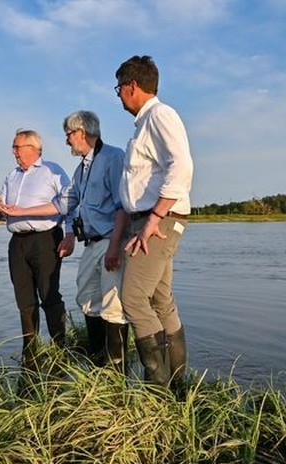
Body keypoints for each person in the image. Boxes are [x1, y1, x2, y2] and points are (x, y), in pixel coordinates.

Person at [115, 55, 193, 387]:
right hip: (150, 219)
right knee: (161, 300)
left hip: (157, 220)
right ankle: (176, 384)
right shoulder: (145, 124)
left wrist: (155, 218)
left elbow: (182, 166)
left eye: (118, 88)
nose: (118, 95)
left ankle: (157, 391)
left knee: (132, 299)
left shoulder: (160, 115)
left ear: (132, 86)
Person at [0, 129, 72, 362]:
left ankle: (59, 348)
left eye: (17, 147)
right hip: (17, 243)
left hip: (45, 240)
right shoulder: (11, 176)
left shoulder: (52, 171)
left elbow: (68, 204)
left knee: (49, 295)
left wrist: (70, 234)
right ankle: (30, 349)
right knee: (23, 297)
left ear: (33, 148)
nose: (13, 152)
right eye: (13, 147)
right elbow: (3, 216)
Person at [54, 110, 130, 370]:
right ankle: (98, 363)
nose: (67, 141)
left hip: (110, 240)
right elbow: (69, 204)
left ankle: (116, 370)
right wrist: (16, 210)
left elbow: (123, 205)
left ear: (82, 132)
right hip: (91, 243)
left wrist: (115, 247)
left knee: (113, 305)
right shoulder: (81, 169)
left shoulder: (113, 157)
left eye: (69, 135)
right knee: (86, 298)